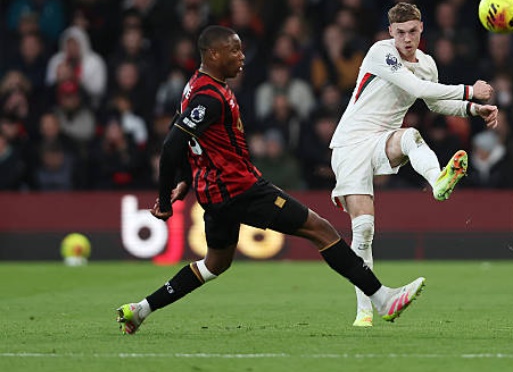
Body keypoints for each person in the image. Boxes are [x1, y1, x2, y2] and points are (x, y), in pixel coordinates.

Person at [115, 26, 425, 335]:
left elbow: (181, 129)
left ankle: (141, 309)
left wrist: (185, 178)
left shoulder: (195, 86)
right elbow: (172, 144)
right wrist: (165, 201)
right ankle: (382, 298)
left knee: (215, 263)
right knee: (320, 229)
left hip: (214, 192)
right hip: (239, 187)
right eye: (234, 50)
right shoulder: (210, 97)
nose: (242, 57)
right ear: (213, 54)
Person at [329, 2, 498, 327]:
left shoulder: (427, 64)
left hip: (382, 140)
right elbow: (416, 88)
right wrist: (471, 91)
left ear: (422, 29)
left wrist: (474, 110)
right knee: (363, 231)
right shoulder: (380, 52)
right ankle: (364, 312)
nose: (407, 39)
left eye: (413, 31)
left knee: (410, 136)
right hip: (350, 144)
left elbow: (435, 103)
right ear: (391, 32)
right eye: (400, 32)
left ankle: (438, 182)